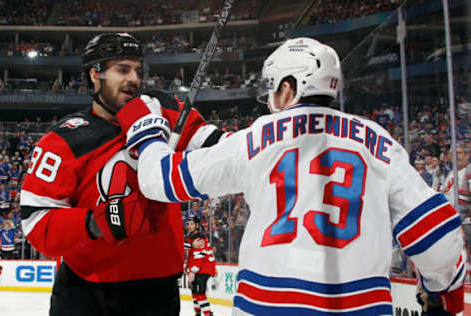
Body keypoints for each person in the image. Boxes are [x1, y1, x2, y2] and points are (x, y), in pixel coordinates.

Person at [122, 37, 465, 315]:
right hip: (361, 306)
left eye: (272, 88)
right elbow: (434, 231)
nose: (270, 99)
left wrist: (146, 128)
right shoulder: (378, 142)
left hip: (267, 305)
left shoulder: (258, 137)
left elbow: (161, 181)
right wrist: (443, 291)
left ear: (289, 87)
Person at [19, 32, 226, 316]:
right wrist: (98, 222)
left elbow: (220, 148)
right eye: (122, 69)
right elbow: (36, 222)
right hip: (86, 291)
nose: (134, 79)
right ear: (95, 74)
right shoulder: (63, 140)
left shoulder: (164, 110)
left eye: (138, 71)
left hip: (157, 292)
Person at [184, 216, 216, 316]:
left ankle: (208, 314)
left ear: (197, 226)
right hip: (199, 268)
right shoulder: (191, 237)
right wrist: (187, 268)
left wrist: (193, 271)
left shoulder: (198, 238)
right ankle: (197, 312)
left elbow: (200, 256)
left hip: (203, 269)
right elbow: (188, 251)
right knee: (195, 293)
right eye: (188, 224)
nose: (189, 226)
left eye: (192, 224)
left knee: (199, 293)